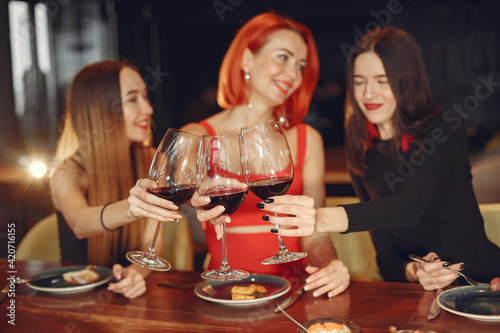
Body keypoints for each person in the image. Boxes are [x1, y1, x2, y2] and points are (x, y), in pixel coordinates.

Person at [247, 26, 500, 290]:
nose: (368, 94)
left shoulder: (444, 127)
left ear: (407, 80)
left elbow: (409, 208)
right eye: (359, 81)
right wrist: (415, 271)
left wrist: (319, 219)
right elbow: (387, 259)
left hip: (485, 280)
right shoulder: (362, 151)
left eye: (382, 80)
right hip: (426, 297)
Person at [185, 12, 349, 297]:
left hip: (293, 289)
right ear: (247, 59)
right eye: (283, 57)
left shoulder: (308, 139)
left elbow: (315, 230)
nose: (293, 74)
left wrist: (329, 263)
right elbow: (192, 230)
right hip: (223, 291)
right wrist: (191, 207)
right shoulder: (197, 137)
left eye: (300, 66)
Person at [50, 60, 183, 299]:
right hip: (74, 300)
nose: (148, 109)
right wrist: (132, 208)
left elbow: (152, 244)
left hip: (130, 298)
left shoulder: (154, 159)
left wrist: (136, 273)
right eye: (133, 99)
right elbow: (80, 224)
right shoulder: (67, 173)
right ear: (98, 110)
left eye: (145, 97)